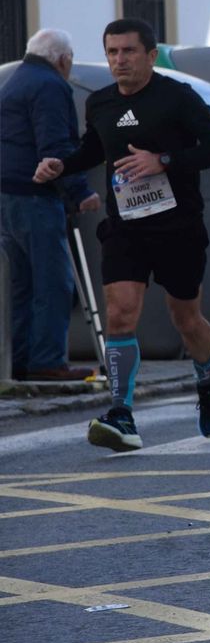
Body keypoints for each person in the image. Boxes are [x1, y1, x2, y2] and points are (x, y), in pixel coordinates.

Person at [34, 19, 210, 450]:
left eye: (128, 51)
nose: (119, 60)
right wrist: (61, 165)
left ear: (150, 53)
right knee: (120, 312)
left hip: (178, 226)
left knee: (186, 319)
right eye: (112, 53)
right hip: (125, 226)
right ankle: (121, 412)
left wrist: (163, 159)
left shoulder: (177, 97)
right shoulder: (101, 103)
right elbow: (94, 149)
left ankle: (206, 377)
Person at [2, 29, 98, 381]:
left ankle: (19, 361)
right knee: (53, 280)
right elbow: (56, 144)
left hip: (7, 194)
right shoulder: (51, 85)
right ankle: (47, 360)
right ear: (64, 59)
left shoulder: (14, 81)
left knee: (20, 284)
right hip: (35, 195)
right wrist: (80, 191)